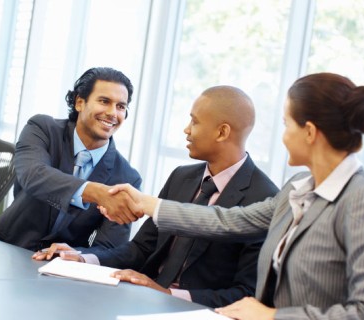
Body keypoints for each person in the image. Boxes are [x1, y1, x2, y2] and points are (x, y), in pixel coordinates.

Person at [104, 73, 364, 320]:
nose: (282, 136)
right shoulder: (299, 187)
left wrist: (271, 317)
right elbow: (228, 221)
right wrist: (149, 204)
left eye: (287, 125)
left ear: (309, 132)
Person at [34, 86, 279, 308]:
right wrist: (83, 259)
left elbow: (246, 294)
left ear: (222, 132)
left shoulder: (265, 198)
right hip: (144, 301)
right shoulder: (182, 177)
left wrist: (167, 294)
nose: (186, 129)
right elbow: (141, 248)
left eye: (194, 122)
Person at [0, 67, 142, 252]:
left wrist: (78, 255)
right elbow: (33, 175)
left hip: (61, 268)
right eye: (104, 101)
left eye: (121, 106)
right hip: (5, 247)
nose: (113, 113)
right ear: (79, 102)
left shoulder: (127, 178)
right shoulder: (42, 129)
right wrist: (96, 192)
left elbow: (110, 249)